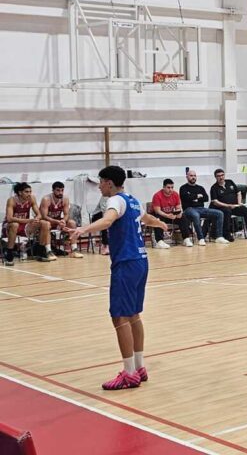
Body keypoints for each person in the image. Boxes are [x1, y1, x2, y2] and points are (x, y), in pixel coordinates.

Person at [69, 166, 168, 390]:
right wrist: (160, 223)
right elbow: (147, 218)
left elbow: (107, 221)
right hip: (141, 261)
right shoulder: (132, 200)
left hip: (126, 263)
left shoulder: (114, 202)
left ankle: (129, 373)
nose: (100, 186)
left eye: (101, 182)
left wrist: (83, 229)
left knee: (119, 317)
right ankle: (139, 367)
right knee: (134, 315)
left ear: (110, 183)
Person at [3, 182, 56, 263]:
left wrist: (37, 219)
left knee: (45, 223)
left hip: (24, 225)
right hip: (9, 225)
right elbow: (9, 218)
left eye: (30, 191)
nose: (29, 194)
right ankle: (9, 253)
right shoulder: (11, 200)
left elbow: (39, 214)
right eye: (27, 192)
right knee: (15, 224)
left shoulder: (32, 198)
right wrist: (28, 220)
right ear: (20, 192)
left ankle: (40, 251)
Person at [179, 170, 229, 245]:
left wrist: (193, 198)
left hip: (201, 209)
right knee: (196, 215)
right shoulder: (183, 188)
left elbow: (206, 198)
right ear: (187, 177)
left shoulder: (200, 188)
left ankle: (219, 236)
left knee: (220, 213)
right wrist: (197, 196)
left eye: (194, 176)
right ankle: (201, 238)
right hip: (189, 209)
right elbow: (185, 198)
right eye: (191, 176)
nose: (193, 177)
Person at [210, 169, 247, 241]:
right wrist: (227, 205)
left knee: (246, 210)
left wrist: (239, 203)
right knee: (227, 211)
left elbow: (238, 193)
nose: (221, 177)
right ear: (215, 177)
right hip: (223, 207)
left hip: (234, 206)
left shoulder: (230, 182)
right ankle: (227, 234)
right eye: (218, 176)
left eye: (222, 175)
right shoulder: (214, 188)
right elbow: (215, 202)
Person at [39, 181, 84, 258]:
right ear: (53, 190)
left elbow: (66, 214)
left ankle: (74, 250)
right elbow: (44, 216)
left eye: (62, 190)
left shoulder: (65, 198)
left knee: (72, 223)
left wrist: (63, 220)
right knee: (46, 224)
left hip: (57, 221)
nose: (60, 192)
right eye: (58, 190)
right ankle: (48, 251)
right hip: (46, 221)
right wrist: (57, 221)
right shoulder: (46, 199)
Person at [150, 179, 191, 248]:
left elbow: (178, 207)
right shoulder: (157, 195)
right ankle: (159, 241)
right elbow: (157, 211)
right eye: (168, 187)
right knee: (157, 218)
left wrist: (178, 213)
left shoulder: (175, 194)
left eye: (172, 187)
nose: (171, 189)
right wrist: (167, 215)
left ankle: (186, 239)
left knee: (183, 217)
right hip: (161, 214)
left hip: (171, 215)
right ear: (163, 187)